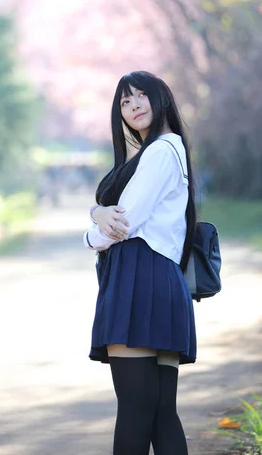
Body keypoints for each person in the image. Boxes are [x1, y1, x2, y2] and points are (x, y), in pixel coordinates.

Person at [83, 71, 197, 455]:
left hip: (139, 278)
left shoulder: (162, 151)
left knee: (134, 408)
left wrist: (90, 232)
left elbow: (124, 224)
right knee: (162, 412)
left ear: (160, 97)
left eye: (140, 96)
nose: (133, 106)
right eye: (124, 102)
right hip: (162, 279)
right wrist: (98, 212)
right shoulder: (165, 151)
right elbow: (118, 214)